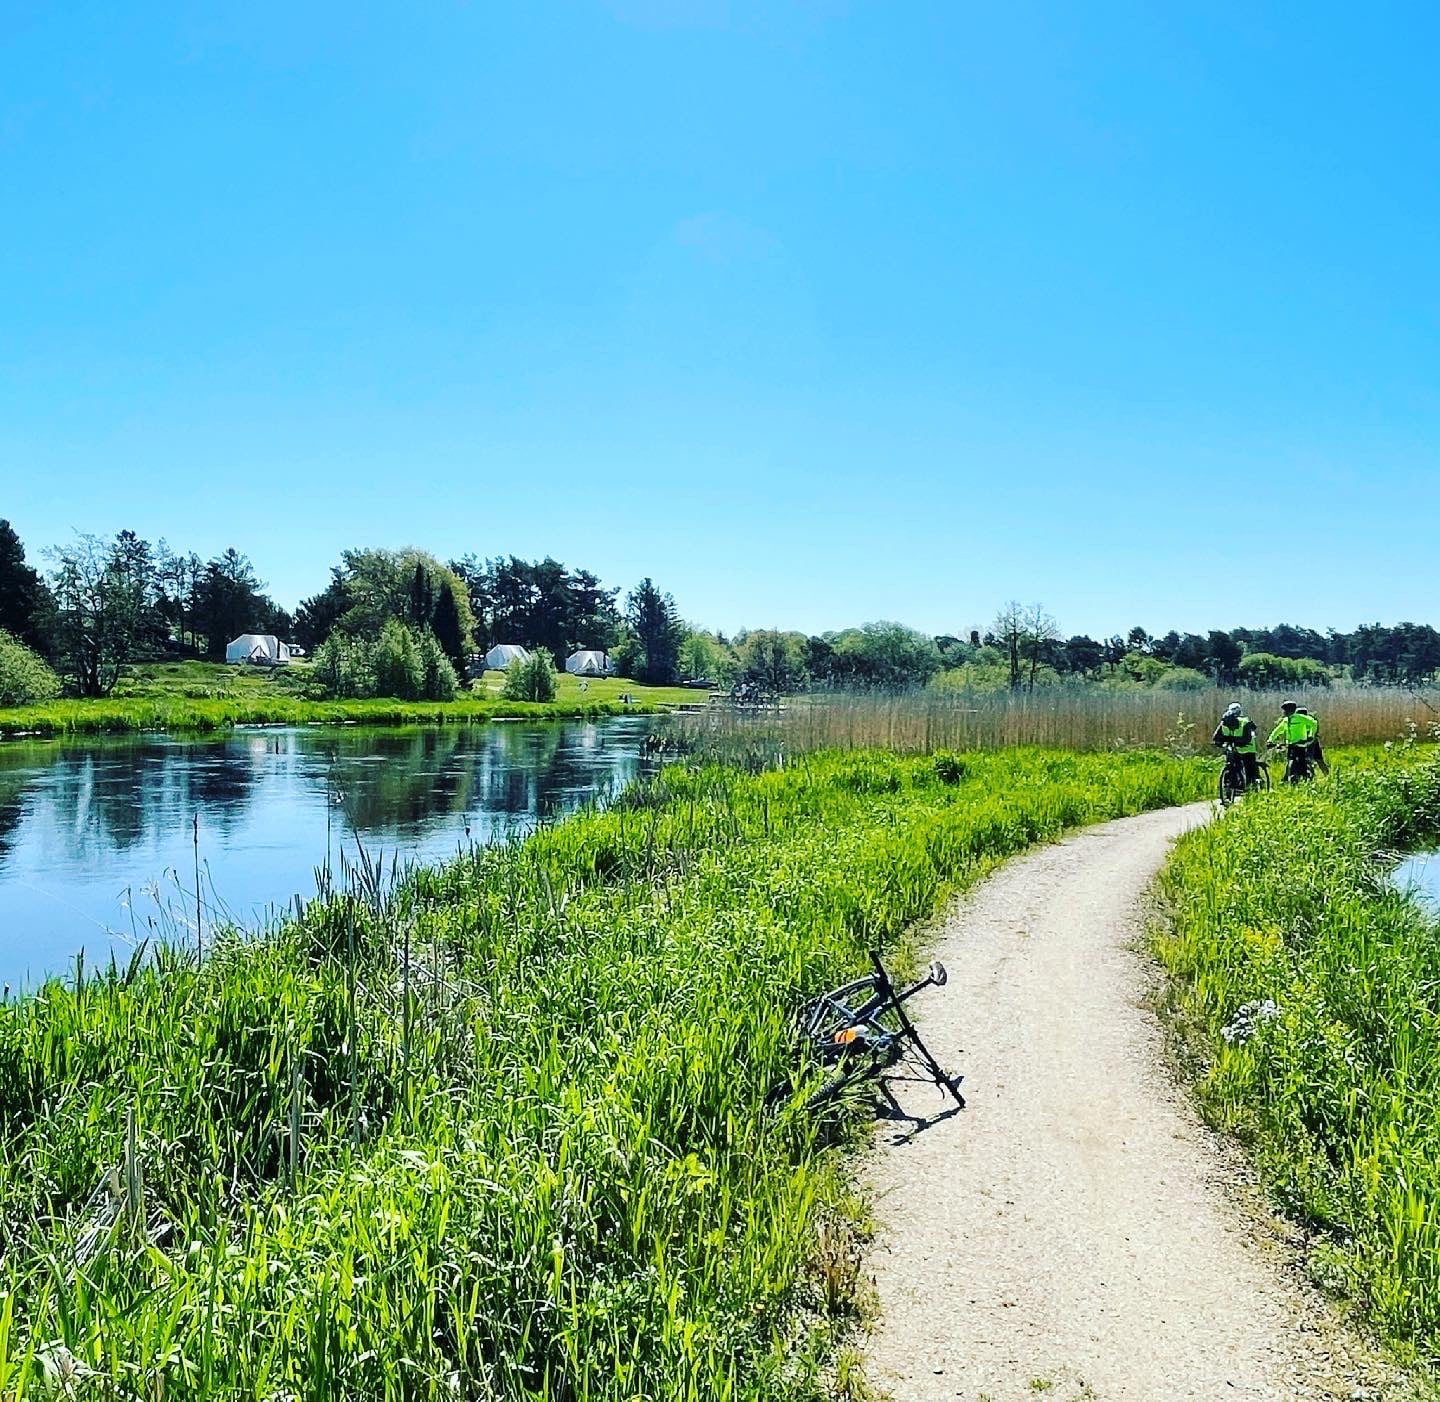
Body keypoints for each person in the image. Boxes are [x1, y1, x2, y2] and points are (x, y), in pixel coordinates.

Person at [1267, 700, 1319, 780]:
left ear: (1291, 710)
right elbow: (1277, 731)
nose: (1284, 712)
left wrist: (1310, 735)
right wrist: (1270, 740)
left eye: (1286, 710)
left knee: (1301, 762)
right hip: (1290, 744)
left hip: (1300, 744)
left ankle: (1305, 777)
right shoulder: (1285, 720)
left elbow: (1314, 723)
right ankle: (1289, 777)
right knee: (1290, 761)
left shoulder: (1300, 717)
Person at [1212, 702, 1260, 786]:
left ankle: (1252, 784)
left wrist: (1234, 742)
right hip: (1233, 748)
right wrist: (1219, 743)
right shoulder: (1224, 723)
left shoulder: (1245, 722)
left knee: (1249, 768)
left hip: (1247, 748)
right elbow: (1216, 737)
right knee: (1231, 764)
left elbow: (1247, 739)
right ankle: (1230, 785)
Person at [1295, 706, 1330, 774]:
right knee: (1319, 760)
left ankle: (1309, 774)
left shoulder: (1301, 721)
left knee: (1309, 759)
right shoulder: (1311, 720)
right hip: (1312, 742)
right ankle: (1326, 774)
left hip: (1308, 743)